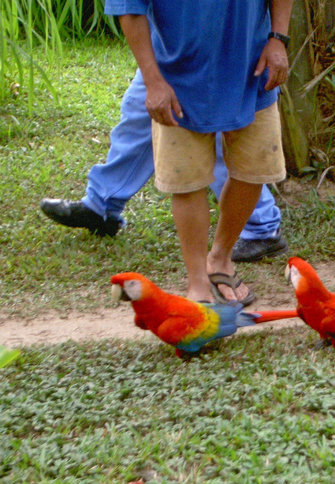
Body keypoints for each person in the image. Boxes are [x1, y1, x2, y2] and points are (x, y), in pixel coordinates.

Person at [105, 0, 293, 305]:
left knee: (256, 169)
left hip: (252, 66)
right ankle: (197, 282)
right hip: (177, 78)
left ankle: (220, 259)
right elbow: (128, 6)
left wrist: (278, 38)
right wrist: (153, 82)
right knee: (187, 180)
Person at [39, 68, 288, 263]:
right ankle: (101, 205)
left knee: (212, 130)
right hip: (169, 34)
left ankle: (261, 227)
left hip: (215, 31)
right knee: (141, 108)